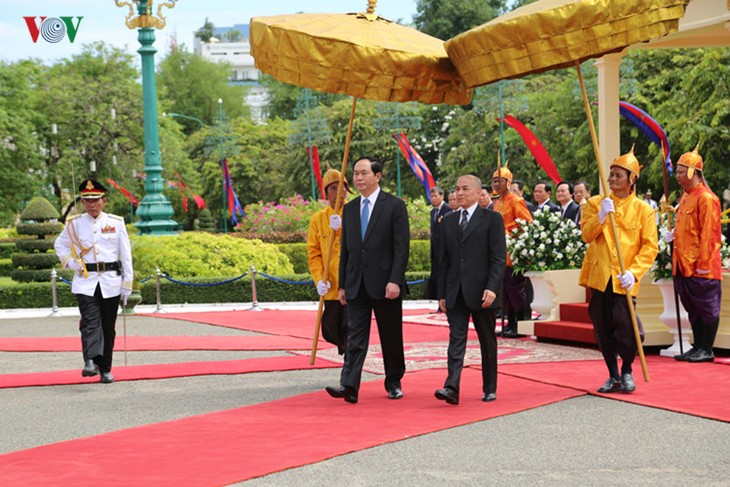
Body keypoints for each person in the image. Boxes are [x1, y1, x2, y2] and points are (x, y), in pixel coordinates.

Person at [325, 157, 410, 404]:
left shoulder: (394, 206)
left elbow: (401, 248)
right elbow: (347, 251)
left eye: (364, 173)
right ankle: (349, 385)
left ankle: (394, 381)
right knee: (355, 336)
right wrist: (342, 284)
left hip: (386, 284)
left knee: (391, 335)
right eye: (356, 174)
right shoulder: (349, 209)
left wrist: (395, 280)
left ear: (378, 176)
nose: (358, 178)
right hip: (356, 283)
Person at [579, 148, 658, 394]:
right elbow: (586, 235)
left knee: (626, 328)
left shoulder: (644, 210)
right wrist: (602, 215)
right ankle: (612, 373)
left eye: (618, 175)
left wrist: (634, 272)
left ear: (632, 179)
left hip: (623, 279)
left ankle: (627, 370)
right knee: (602, 328)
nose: (612, 179)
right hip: (599, 275)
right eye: (610, 175)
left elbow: (650, 246)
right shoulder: (595, 203)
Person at [434, 174, 506, 405]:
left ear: (477, 192)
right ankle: (451, 386)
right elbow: (442, 261)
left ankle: (490, 387)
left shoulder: (492, 220)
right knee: (456, 340)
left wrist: (492, 288)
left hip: (482, 292)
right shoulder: (448, 222)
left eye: (465, 188)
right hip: (455, 291)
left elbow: (498, 258)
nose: (459, 193)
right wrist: (442, 294)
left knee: (487, 340)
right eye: (457, 188)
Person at [54, 179, 133, 384]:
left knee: (108, 327)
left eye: (95, 200)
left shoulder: (116, 223)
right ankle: (90, 361)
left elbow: (126, 255)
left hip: (110, 281)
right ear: (82, 202)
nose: (91, 204)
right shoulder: (74, 224)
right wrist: (72, 263)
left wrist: (127, 283)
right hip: (85, 281)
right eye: (87, 200)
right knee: (89, 321)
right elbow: (59, 245)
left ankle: (105, 368)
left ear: (104, 201)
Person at [665, 145, 722, 362]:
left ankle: (706, 349)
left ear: (693, 172)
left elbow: (709, 234)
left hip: (701, 265)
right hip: (683, 263)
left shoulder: (706, 198)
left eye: (681, 171)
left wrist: (704, 263)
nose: (677, 176)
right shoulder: (685, 197)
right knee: (693, 308)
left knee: (706, 307)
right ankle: (698, 346)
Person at [307, 168, 352, 355]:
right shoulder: (317, 219)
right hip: (330, 284)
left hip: (350, 283)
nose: (338, 192)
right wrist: (319, 280)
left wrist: (342, 228)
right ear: (326, 194)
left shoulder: (354, 213)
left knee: (351, 328)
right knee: (330, 328)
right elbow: (313, 253)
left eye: (342, 188)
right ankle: (346, 351)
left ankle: (350, 366)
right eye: (333, 188)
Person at [492, 164, 533, 338]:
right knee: (506, 292)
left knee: (516, 290)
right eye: (493, 181)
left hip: (514, 252)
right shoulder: (497, 202)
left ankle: (520, 323)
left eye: (499, 181)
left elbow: (527, 223)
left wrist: (508, 233)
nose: (495, 184)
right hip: (500, 252)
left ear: (508, 182)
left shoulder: (516, 200)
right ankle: (510, 323)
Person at [429, 186, 453, 312]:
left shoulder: (448, 210)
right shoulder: (432, 212)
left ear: (442, 196)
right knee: (437, 277)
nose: (433, 199)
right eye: (431, 196)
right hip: (435, 251)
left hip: (444, 250)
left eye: (435, 196)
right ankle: (439, 301)